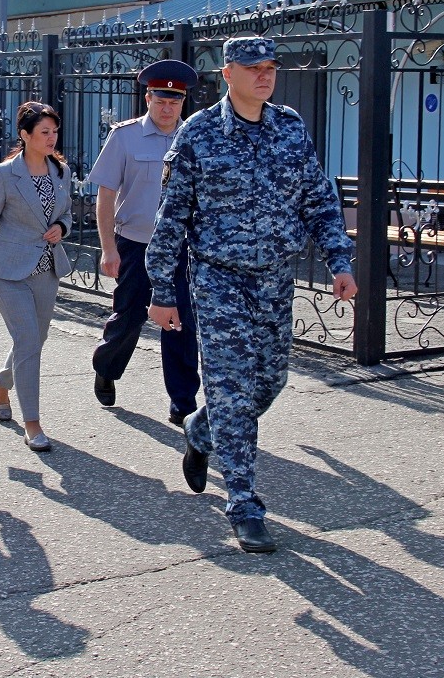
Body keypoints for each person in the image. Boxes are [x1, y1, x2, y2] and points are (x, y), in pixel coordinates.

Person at [145, 36, 358, 554]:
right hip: (219, 280)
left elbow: (318, 199)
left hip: (275, 279)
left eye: (270, 67)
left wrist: (339, 260)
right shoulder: (197, 136)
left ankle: (201, 429)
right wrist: (162, 289)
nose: (264, 75)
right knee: (233, 390)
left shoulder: (290, 129)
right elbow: (171, 220)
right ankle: (242, 502)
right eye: (252, 67)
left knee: (270, 381)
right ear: (227, 73)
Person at [0, 101, 73, 453]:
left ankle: (0, 383)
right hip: (8, 273)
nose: (52, 138)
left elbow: (65, 211)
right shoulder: (3, 175)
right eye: (44, 132)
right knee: (27, 342)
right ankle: (33, 423)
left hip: (46, 270)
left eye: (54, 132)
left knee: (34, 342)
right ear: (25, 135)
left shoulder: (60, 171)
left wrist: (61, 227)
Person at [88, 59, 201, 426]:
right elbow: (106, 195)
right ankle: (106, 366)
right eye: (161, 100)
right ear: (148, 98)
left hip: (182, 249)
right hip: (136, 243)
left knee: (180, 322)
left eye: (176, 101)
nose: (168, 108)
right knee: (130, 317)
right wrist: (108, 247)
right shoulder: (125, 136)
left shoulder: (195, 138)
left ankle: (182, 401)